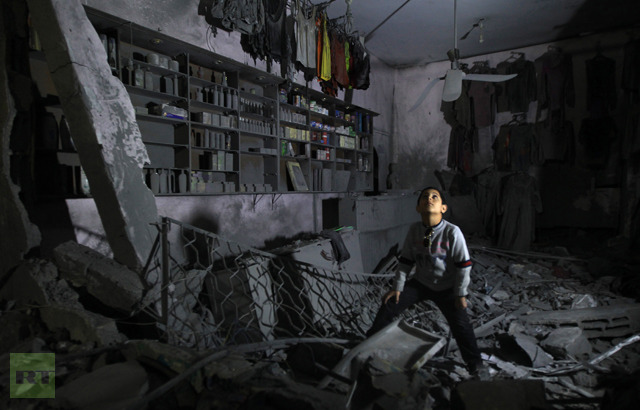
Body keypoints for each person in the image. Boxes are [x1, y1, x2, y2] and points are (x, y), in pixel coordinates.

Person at [366, 186, 485, 376]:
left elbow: (464, 265)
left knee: (461, 324)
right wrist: (397, 288)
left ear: (443, 208)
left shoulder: (452, 232)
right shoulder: (415, 230)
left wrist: (460, 294)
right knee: (390, 304)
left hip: (447, 287)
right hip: (421, 283)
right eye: (424, 197)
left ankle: (475, 364)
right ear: (418, 207)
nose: (429, 199)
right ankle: (367, 347)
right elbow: (405, 262)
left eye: (435, 197)